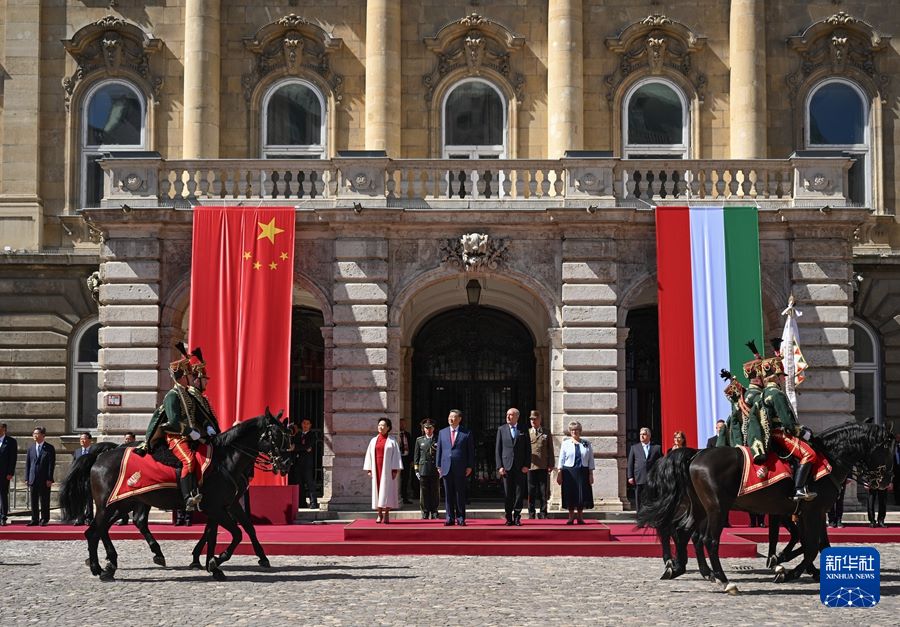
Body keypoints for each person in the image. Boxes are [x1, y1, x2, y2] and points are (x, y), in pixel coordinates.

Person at [142, 343, 213, 511]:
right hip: (176, 436)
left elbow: (196, 415)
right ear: (182, 376)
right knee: (188, 460)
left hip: (189, 435)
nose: (192, 378)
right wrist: (190, 432)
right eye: (189, 374)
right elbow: (173, 422)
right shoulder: (172, 396)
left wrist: (206, 426)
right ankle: (188, 497)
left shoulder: (186, 394)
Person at [436, 409, 474, 526]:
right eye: (449, 417)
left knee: (459, 493)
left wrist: (469, 466)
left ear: (459, 419)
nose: (451, 419)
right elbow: (439, 450)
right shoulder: (442, 432)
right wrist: (438, 465)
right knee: (448, 494)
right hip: (446, 467)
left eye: (453, 417)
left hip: (460, 467)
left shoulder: (466, 432)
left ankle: (461, 517)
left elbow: (470, 451)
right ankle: (449, 518)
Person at [363, 418, 403, 524]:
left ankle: (386, 513)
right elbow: (369, 455)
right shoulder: (373, 440)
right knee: (377, 491)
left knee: (387, 492)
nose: (380, 427)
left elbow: (396, 456)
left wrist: (395, 469)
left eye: (383, 425)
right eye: (379, 425)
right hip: (377, 469)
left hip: (388, 470)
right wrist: (369, 468)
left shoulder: (392, 441)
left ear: (388, 428)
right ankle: (379, 513)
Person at [495, 407, 531, 526]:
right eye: (507, 414)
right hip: (506, 467)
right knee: (508, 493)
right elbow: (498, 450)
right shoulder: (501, 429)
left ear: (517, 417)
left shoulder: (523, 429)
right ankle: (508, 517)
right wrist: (499, 466)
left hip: (520, 467)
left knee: (519, 493)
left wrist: (527, 465)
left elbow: (528, 449)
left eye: (511, 415)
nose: (508, 417)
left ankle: (517, 516)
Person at [556, 421, 594, 524]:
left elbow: (591, 459)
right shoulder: (565, 443)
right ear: (570, 431)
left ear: (580, 431)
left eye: (576, 429)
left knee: (582, 495)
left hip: (583, 471)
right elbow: (561, 459)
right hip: (569, 472)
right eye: (572, 430)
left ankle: (580, 517)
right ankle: (571, 517)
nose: (574, 432)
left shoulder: (586, 443)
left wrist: (591, 474)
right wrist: (559, 472)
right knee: (570, 494)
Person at [626, 427, 661, 513]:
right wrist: (630, 476)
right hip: (639, 477)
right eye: (640, 434)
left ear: (649, 436)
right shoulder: (634, 448)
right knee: (639, 498)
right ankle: (640, 516)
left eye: (644, 434)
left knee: (651, 498)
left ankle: (650, 516)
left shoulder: (656, 448)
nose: (642, 436)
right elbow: (630, 463)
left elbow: (660, 462)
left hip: (651, 478)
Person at [527, 410, 554, 520]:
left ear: (539, 419)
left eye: (534, 419)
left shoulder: (546, 432)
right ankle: (531, 513)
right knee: (531, 491)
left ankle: (543, 512)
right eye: (531, 419)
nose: (532, 421)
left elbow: (550, 450)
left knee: (543, 491)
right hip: (531, 466)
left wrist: (551, 464)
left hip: (543, 466)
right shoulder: (527, 432)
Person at [25, 426, 55, 526]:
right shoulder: (31, 448)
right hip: (33, 478)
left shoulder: (49, 448)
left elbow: (51, 465)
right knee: (34, 500)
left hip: (44, 479)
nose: (34, 436)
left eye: (37, 434)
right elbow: (28, 464)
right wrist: (26, 478)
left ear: (43, 435)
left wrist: (50, 478)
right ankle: (34, 519)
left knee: (44, 499)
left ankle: (44, 519)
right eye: (34, 434)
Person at [413, 419, 439, 519]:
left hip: (434, 468)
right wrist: (416, 470)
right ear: (423, 429)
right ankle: (425, 511)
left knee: (435, 491)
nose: (428, 430)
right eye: (426, 428)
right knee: (424, 492)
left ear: (433, 428)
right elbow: (416, 456)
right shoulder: (419, 440)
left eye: (430, 428)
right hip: (423, 468)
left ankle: (434, 511)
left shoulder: (438, 439)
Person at [292, 418, 320, 509]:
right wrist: (302, 448)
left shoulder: (312, 435)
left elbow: (307, 446)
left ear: (310, 425)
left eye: (307, 423)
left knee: (310, 483)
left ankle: (313, 503)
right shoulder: (298, 435)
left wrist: (297, 448)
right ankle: (301, 503)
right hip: (298, 463)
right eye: (304, 423)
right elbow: (294, 445)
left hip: (307, 463)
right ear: (301, 424)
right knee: (299, 484)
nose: (305, 425)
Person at [71, 432, 94, 525]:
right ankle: (80, 517)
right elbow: (73, 465)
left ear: (89, 440)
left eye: (84, 439)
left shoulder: (93, 451)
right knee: (79, 499)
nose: (82, 441)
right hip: (79, 479)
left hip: (89, 478)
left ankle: (89, 518)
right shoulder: (77, 451)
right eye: (80, 439)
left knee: (89, 499)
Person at [0, 422, 18, 526]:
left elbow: (13, 458)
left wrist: (10, 472)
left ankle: (3, 516)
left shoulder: (11, 442)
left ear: (4, 429)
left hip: (4, 474)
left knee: (3, 495)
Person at [398, 419, 414, 505]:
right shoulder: (396, 435)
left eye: (404, 424)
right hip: (398, 459)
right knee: (397, 479)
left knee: (405, 479)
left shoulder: (408, 435)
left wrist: (412, 460)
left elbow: (411, 447)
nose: (403, 426)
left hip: (406, 459)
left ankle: (405, 497)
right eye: (401, 424)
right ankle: (397, 496)